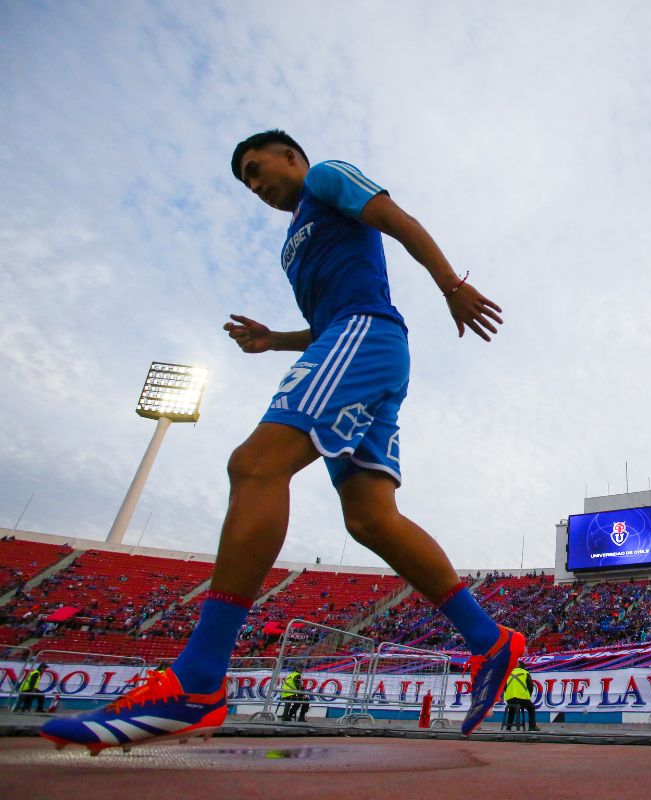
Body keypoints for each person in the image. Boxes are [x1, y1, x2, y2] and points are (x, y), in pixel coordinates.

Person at [42, 130, 523, 755]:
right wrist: (275, 340)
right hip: (347, 341)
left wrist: (449, 284)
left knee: (255, 466)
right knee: (371, 518)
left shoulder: (325, 176)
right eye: (244, 180)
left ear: (289, 156)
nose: (254, 183)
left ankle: (198, 679)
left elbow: (398, 222)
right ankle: (489, 638)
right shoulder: (290, 248)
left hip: (364, 338)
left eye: (255, 167)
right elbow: (328, 317)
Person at [502, 659, 538, 731]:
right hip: (522, 698)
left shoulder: (508, 673)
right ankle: (532, 727)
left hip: (510, 699)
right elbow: (530, 686)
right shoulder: (525, 672)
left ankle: (508, 728)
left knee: (512, 710)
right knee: (531, 708)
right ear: (523, 667)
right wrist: (528, 696)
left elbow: (504, 687)